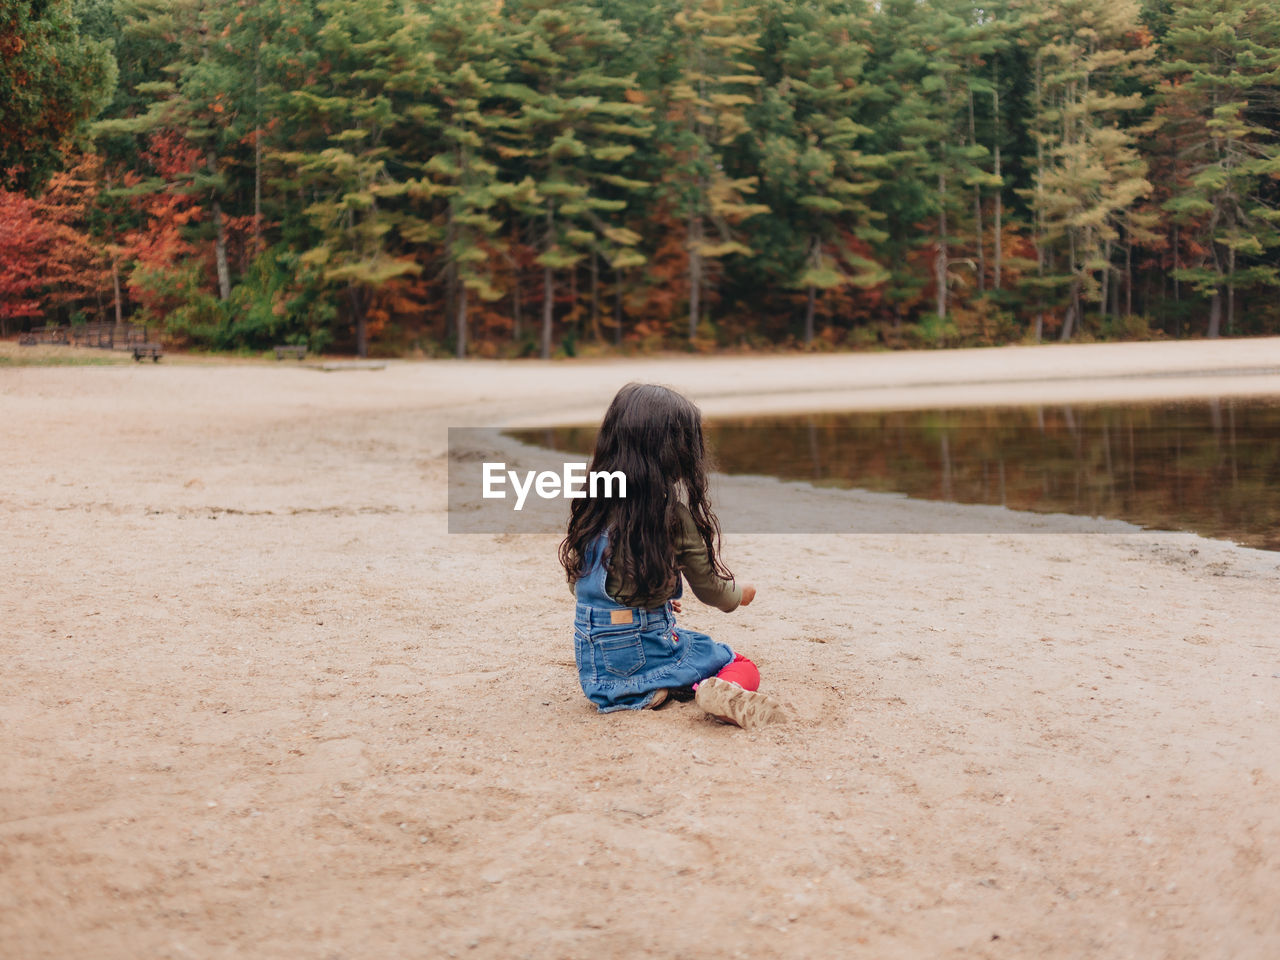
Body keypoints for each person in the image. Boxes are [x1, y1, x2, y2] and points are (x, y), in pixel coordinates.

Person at [559, 382, 786, 729]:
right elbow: (713, 592)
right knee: (737, 661)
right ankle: (716, 690)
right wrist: (742, 594)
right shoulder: (670, 516)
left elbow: (585, 587)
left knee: (648, 642)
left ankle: (639, 693)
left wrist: (652, 597)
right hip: (644, 649)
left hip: (597, 667)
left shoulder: (592, 506)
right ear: (675, 453)